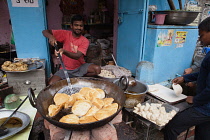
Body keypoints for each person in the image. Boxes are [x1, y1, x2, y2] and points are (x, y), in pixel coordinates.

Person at [164, 17, 210, 140]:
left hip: (206, 107)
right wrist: (185, 78)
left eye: (202, 35)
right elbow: (203, 73)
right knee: (203, 135)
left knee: (172, 127)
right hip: (205, 104)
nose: (200, 39)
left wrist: (195, 99)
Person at [42, 15, 101, 85]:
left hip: (80, 67)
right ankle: (76, 79)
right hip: (65, 68)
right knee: (51, 83)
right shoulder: (66, 34)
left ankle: (79, 77)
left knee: (97, 69)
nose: (79, 28)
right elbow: (45, 31)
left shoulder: (85, 40)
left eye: (81, 26)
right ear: (71, 26)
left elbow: (77, 56)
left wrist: (64, 51)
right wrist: (51, 37)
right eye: (76, 25)